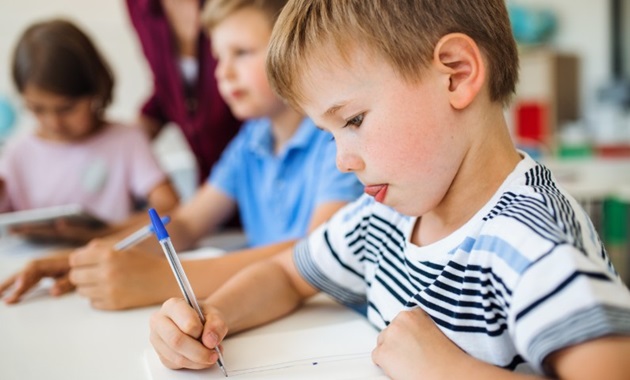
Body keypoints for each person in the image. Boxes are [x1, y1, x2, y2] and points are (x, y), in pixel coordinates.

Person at [149, 0, 630, 378]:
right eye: (329, 133)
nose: (342, 159)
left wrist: (449, 372)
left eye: (353, 120)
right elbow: (287, 275)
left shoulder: (534, 244)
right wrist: (210, 318)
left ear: (456, 74)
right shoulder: (386, 215)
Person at [0, 0, 362, 311]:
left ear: (291, 51)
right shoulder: (249, 142)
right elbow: (185, 225)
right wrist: (79, 261)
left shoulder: (334, 141)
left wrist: (160, 279)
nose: (223, 72)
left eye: (242, 53)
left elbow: (315, 253)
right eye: (219, 57)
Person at [0, 19, 179, 243]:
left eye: (66, 109)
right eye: (37, 109)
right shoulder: (17, 153)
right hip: (30, 267)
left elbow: (169, 206)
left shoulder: (126, 141)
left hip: (108, 260)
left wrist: (105, 231)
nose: (53, 122)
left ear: (96, 90)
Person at [126, 0, 241, 184]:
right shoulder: (139, 6)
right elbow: (167, 88)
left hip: (252, 163)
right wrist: (123, 140)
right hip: (211, 179)